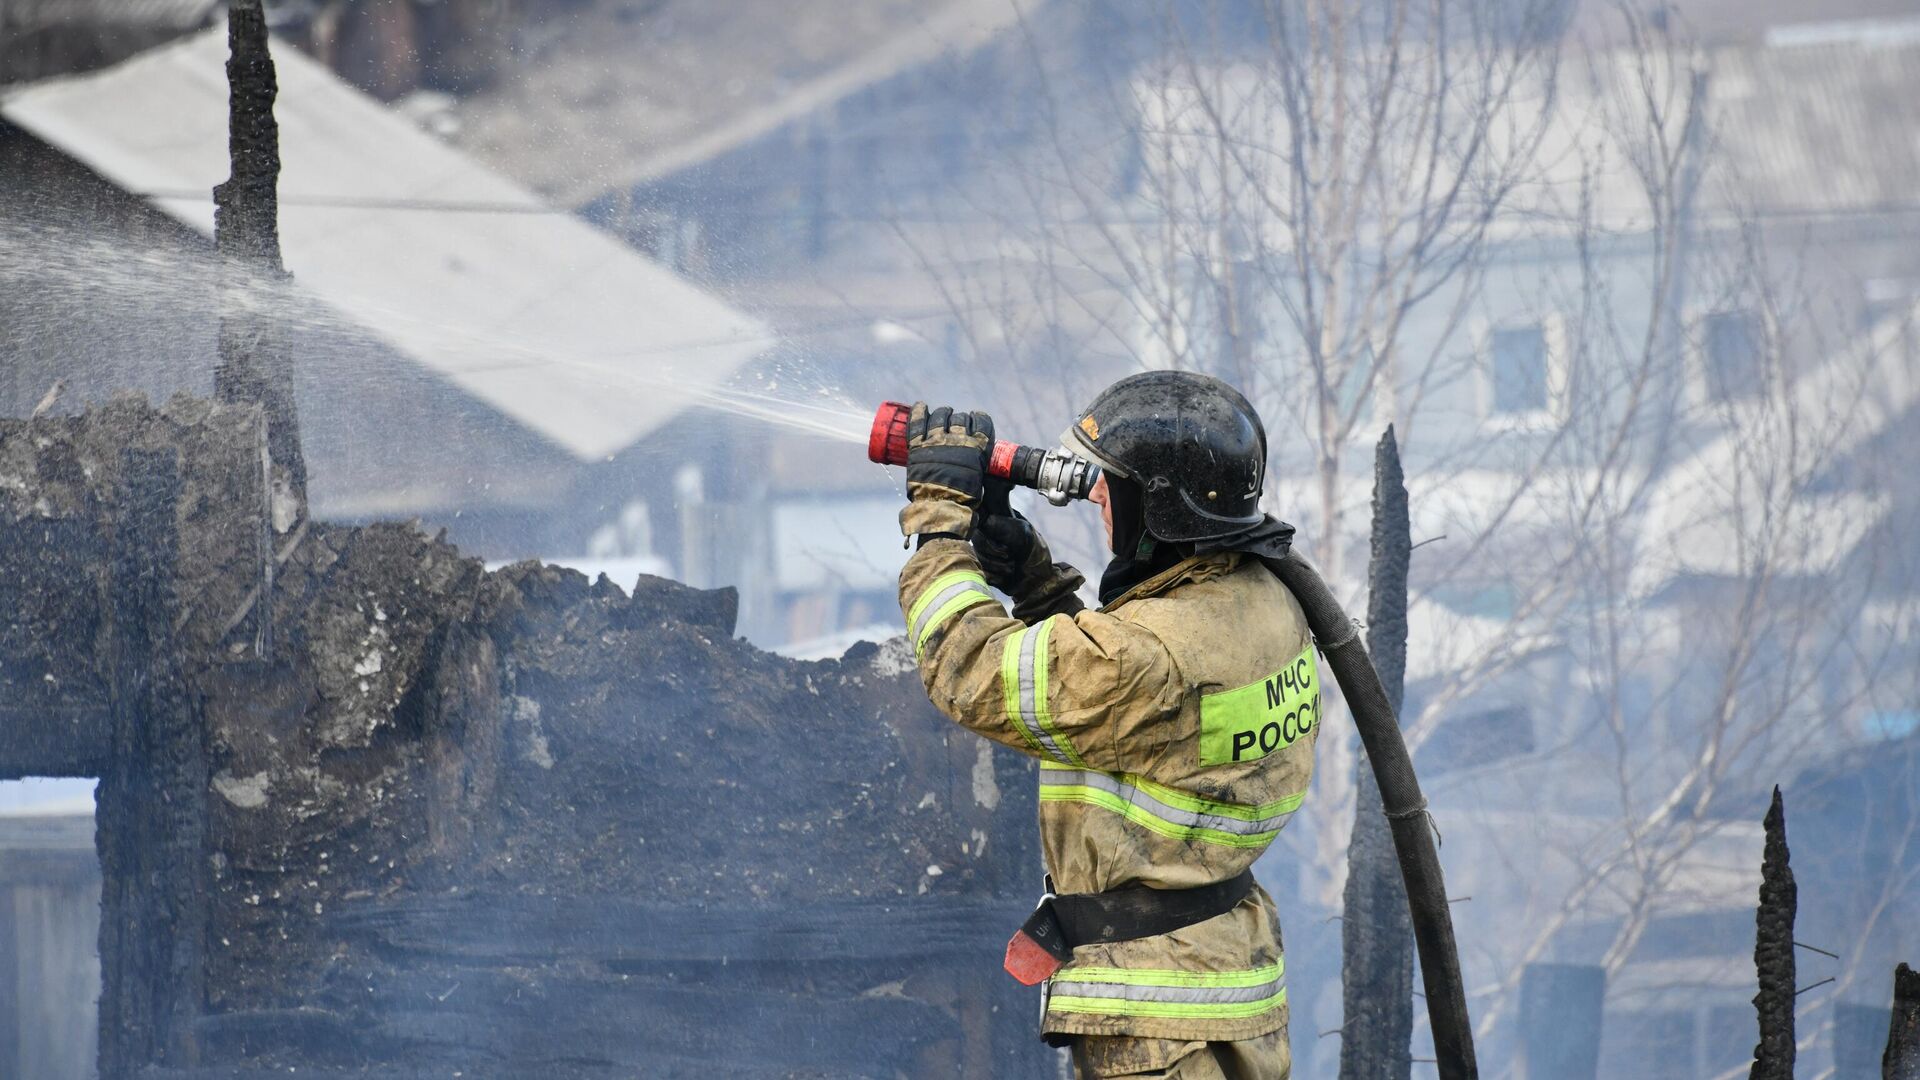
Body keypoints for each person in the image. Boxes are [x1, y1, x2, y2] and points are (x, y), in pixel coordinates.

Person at [894, 371, 1319, 1080]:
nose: (1096, 497)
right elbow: (1129, 714)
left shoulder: (1149, 656)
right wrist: (1033, 580)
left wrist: (939, 524)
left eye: (1112, 486)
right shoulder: (1260, 598)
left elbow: (968, 669)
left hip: (1157, 1023)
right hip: (1221, 974)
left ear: (1159, 507)